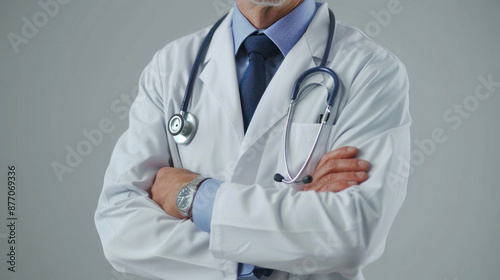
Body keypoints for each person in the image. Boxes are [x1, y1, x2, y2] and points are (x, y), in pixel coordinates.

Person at [95, 0, 411, 279]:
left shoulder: (371, 71)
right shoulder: (170, 67)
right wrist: (260, 260)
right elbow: (119, 228)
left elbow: (353, 232)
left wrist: (193, 196)